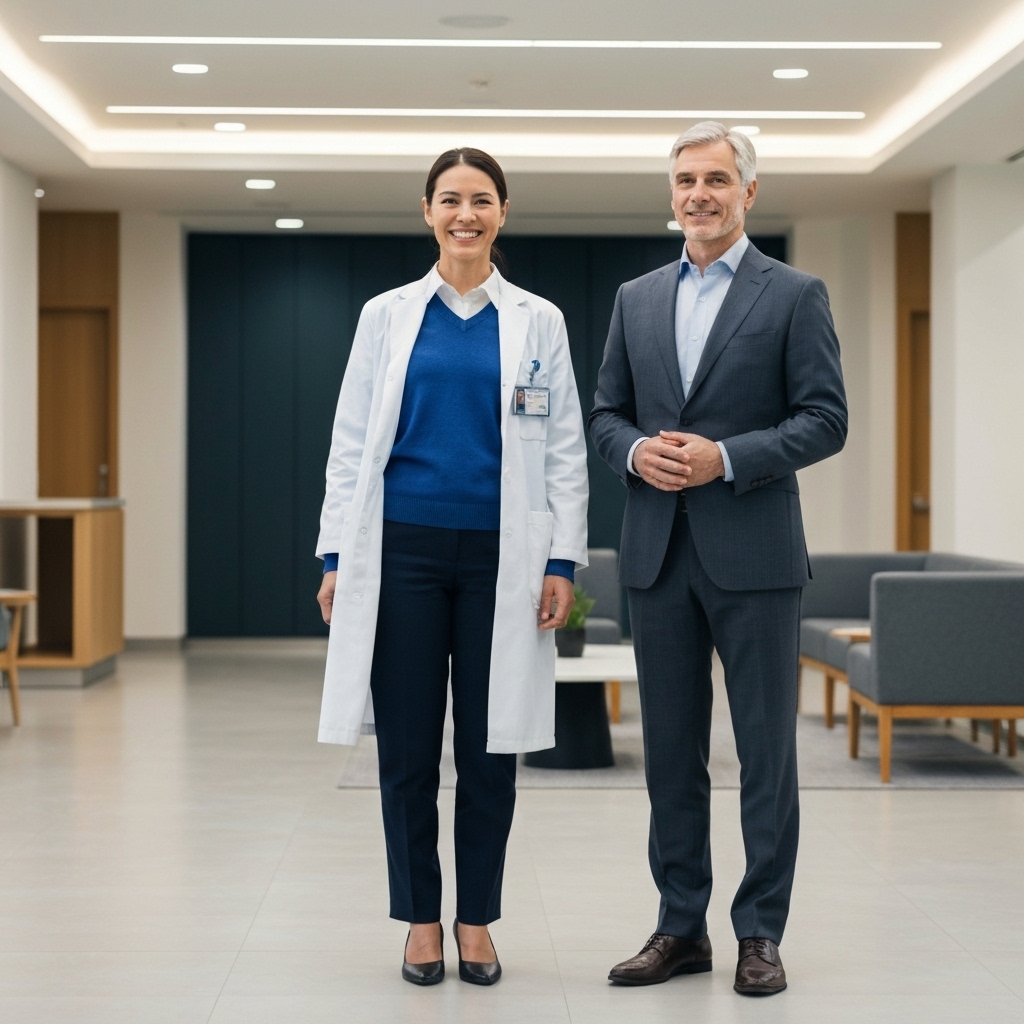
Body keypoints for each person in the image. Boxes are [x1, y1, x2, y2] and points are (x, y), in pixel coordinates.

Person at [315, 148, 589, 987]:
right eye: (449, 200)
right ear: (426, 211)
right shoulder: (386, 315)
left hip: (502, 559)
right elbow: (352, 441)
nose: (464, 214)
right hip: (400, 552)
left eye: (480, 200)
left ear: (503, 212)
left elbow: (567, 450)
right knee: (405, 750)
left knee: (489, 747)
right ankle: (420, 922)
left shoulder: (538, 319)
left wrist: (562, 560)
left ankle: (477, 921)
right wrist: (334, 555)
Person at [589, 121, 847, 996]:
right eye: (685, 179)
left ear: (748, 191)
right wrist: (633, 454)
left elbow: (825, 419)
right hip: (658, 554)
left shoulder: (794, 294)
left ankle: (760, 932)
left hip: (757, 555)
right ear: (672, 193)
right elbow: (604, 413)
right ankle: (679, 925)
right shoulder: (636, 298)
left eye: (716, 178)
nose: (698, 193)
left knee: (766, 753)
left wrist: (725, 458)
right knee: (670, 754)